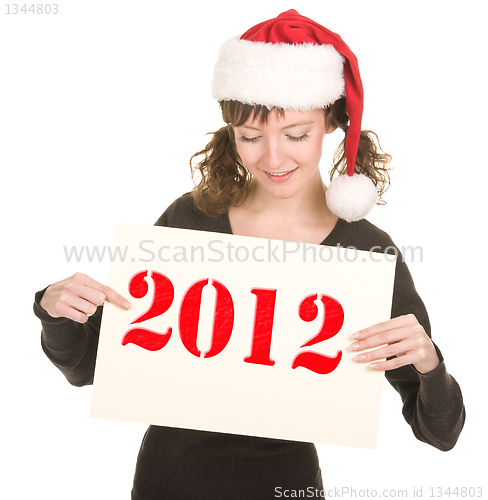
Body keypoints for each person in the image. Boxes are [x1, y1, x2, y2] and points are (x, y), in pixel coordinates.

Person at [33, 10, 465, 500]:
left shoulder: (364, 251)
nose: (274, 159)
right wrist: (56, 311)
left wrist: (430, 365)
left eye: (297, 135)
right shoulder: (189, 220)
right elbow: (91, 367)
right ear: (231, 133)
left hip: (287, 486)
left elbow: (440, 432)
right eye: (251, 137)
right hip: (167, 483)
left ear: (332, 125)